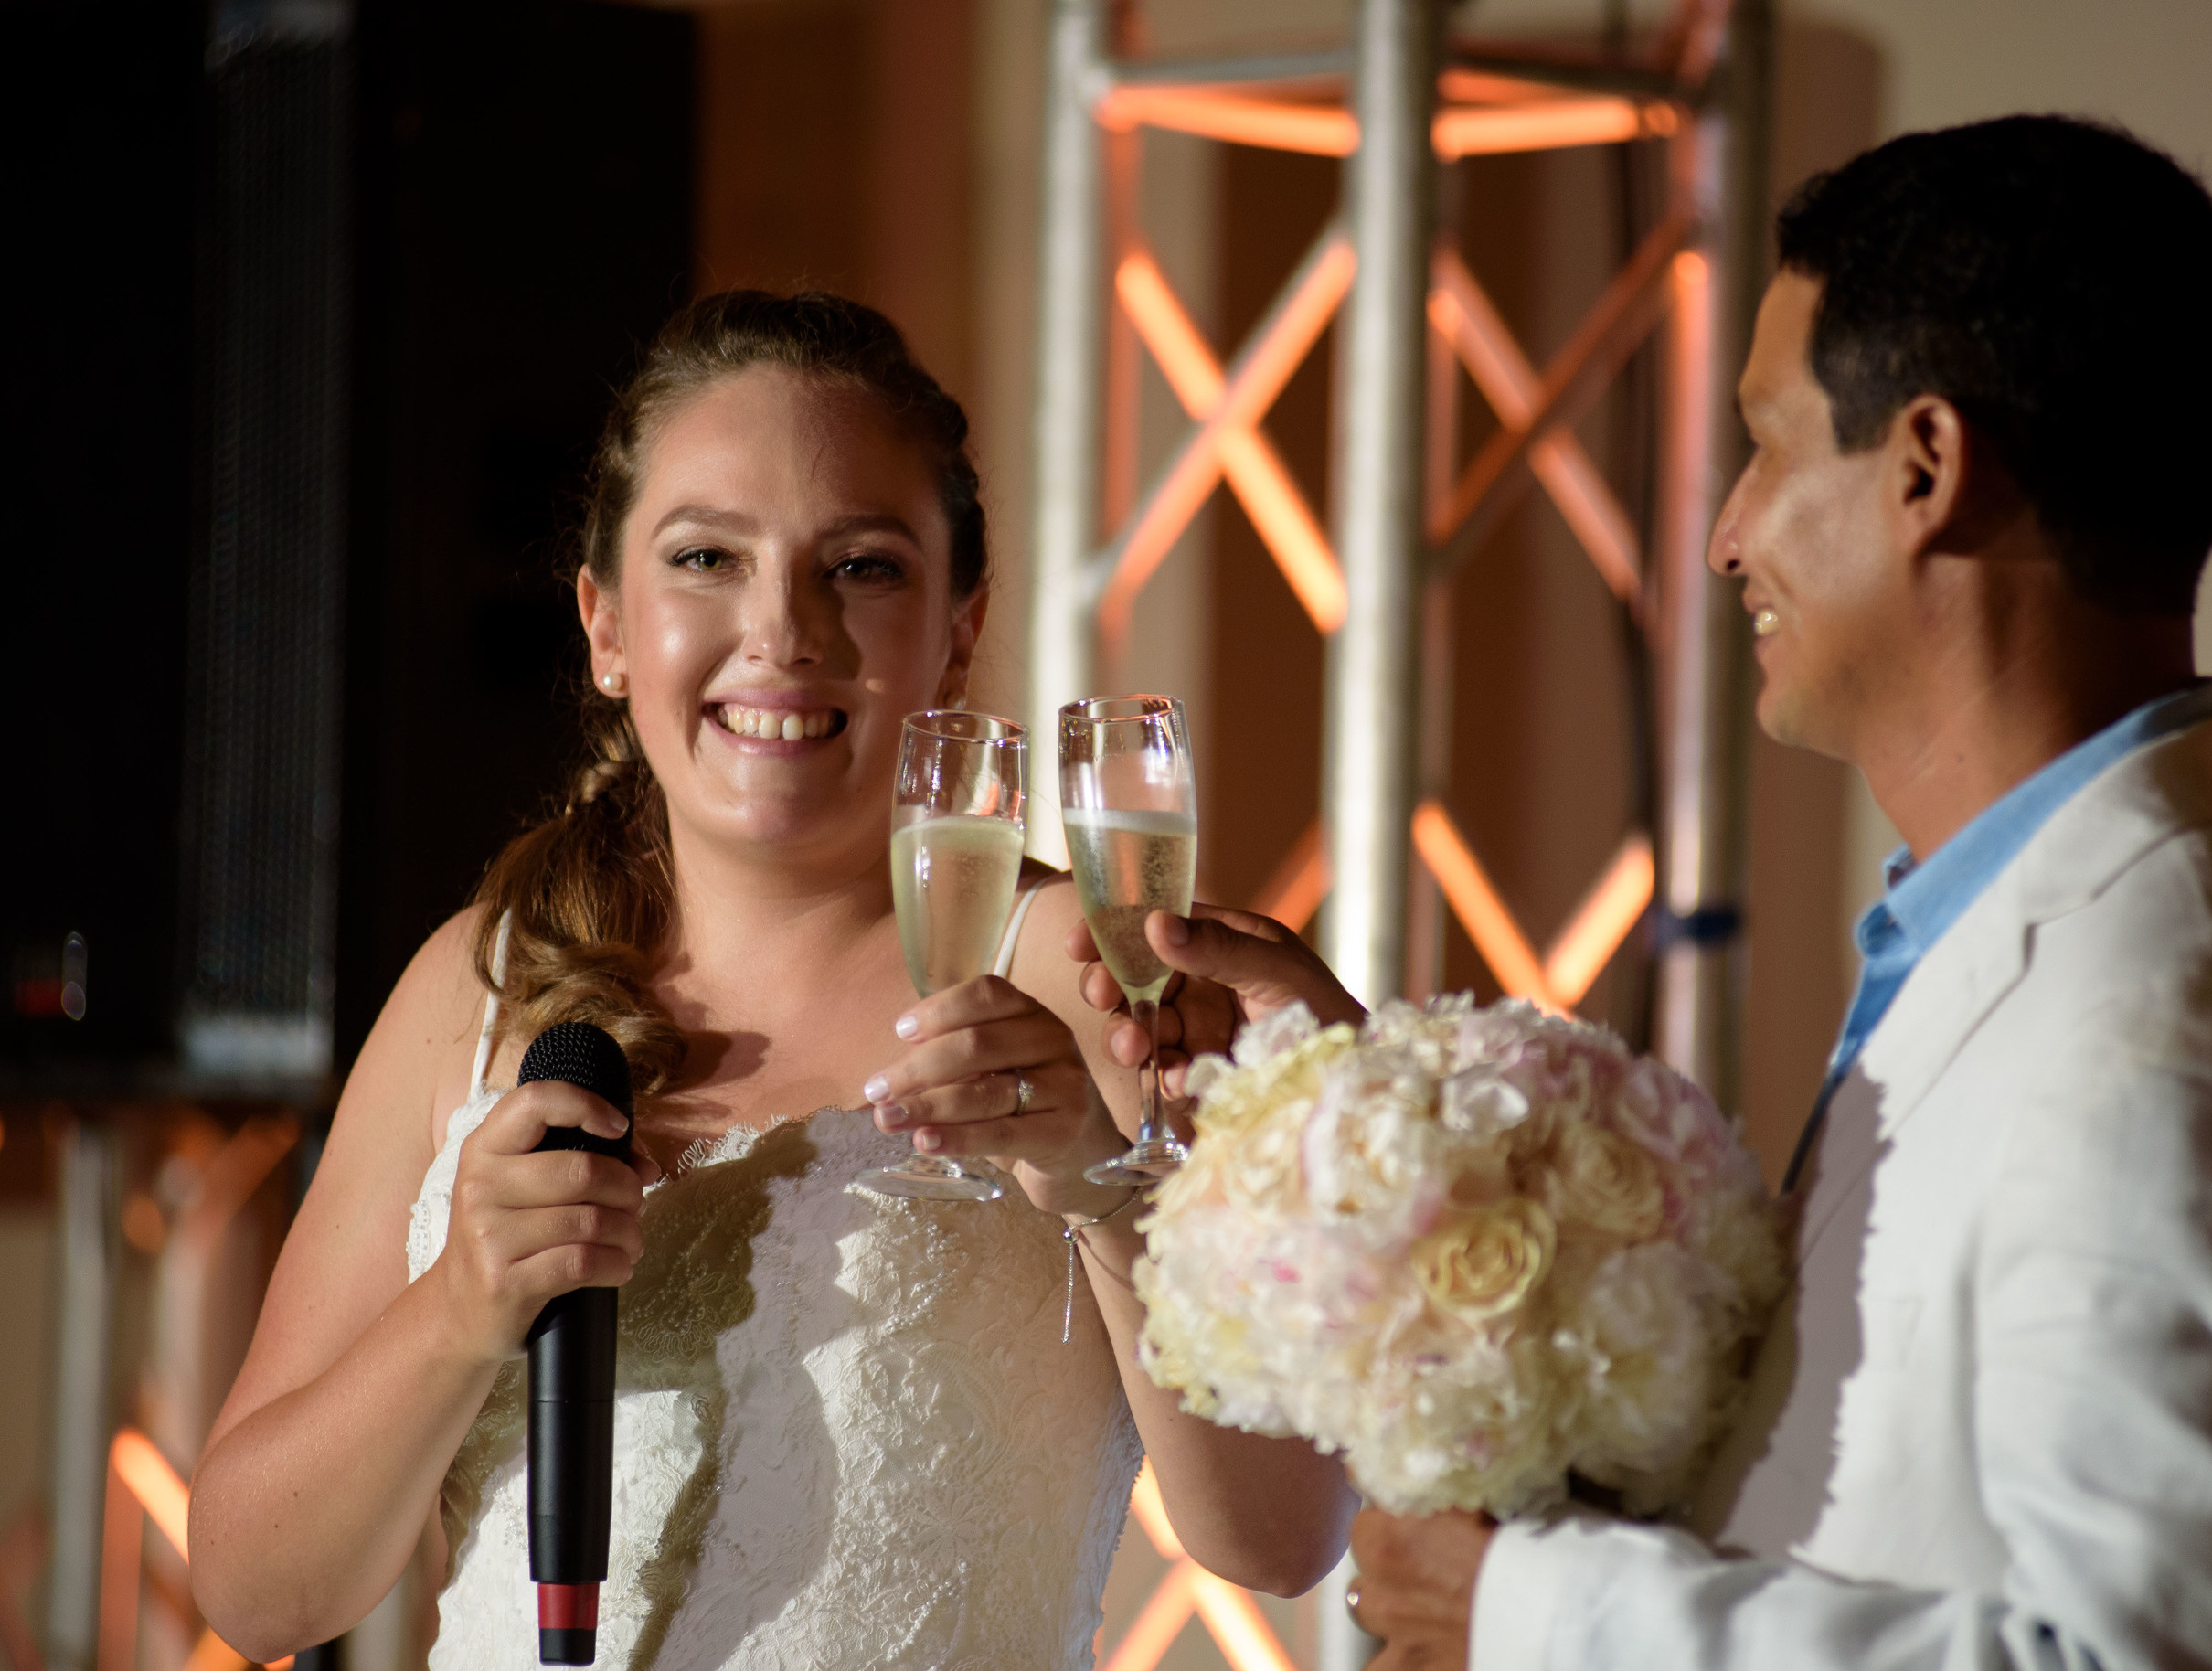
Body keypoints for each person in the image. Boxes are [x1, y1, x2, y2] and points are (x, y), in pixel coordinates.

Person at [1076, 115, 2212, 1669]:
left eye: (1766, 441)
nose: (1729, 532)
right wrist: (1349, 1110)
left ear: (1926, 470)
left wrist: (1530, 1616)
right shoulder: (2049, 921)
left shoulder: (2163, 1019)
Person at [188, 291, 1354, 1668]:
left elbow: (1283, 1537)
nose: (783, 631)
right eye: (705, 559)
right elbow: (256, 1594)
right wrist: (457, 1308)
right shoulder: (485, 981)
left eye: (859, 567)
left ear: (960, 627)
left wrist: (1099, 1181)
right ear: (606, 626)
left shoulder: (1094, 979)